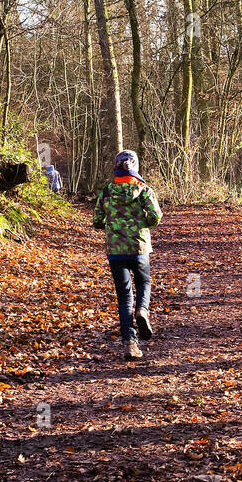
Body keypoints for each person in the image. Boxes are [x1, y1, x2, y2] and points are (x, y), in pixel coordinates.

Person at [92, 149, 162, 361]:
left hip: (115, 251)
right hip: (139, 248)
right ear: (136, 167)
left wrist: (111, 224)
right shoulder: (143, 190)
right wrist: (141, 223)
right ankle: (142, 310)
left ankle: (130, 344)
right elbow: (156, 217)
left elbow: (97, 220)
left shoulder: (107, 191)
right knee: (144, 283)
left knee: (124, 296)